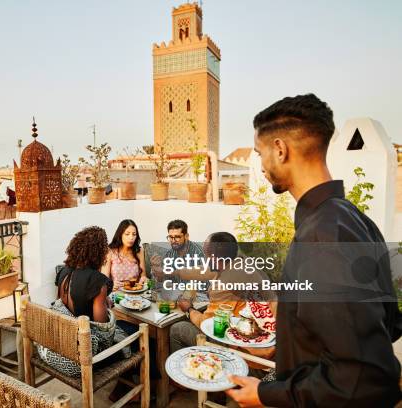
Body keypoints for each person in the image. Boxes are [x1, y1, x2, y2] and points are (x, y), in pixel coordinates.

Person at [227, 94, 401, 407]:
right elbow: (387, 323)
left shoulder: (322, 238)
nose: (261, 165)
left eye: (259, 153)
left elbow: (364, 380)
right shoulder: (352, 218)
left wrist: (264, 394)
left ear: (280, 150)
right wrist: (283, 346)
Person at [170, 232, 276, 360]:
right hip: (271, 340)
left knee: (177, 329)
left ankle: (190, 372)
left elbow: (208, 324)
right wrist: (173, 272)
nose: (205, 259)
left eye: (206, 255)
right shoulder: (240, 262)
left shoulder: (224, 284)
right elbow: (203, 271)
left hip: (251, 354)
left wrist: (189, 309)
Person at [38, 226, 123, 377]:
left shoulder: (63, 272)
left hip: (61, 348)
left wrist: (101, 300)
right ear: (98, 252)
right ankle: (127, 392)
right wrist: (105, 305)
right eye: (105, 248)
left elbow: (65, 306)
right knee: (134, 342)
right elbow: (103, 332)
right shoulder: (97, 282)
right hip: (81, 360)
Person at [151, 219, 212, 303]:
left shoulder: (199, 254)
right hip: (177, 296)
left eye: (177, 237)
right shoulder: (169, 254)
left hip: (200, 297)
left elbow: (201, 286)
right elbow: (162, 285)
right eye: (170, 237)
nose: (173, 241)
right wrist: (157, 271)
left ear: (186, 236)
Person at [101, 219, 147, 291]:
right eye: (127, 234)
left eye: (134, 234)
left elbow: (143, 276)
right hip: (116, 293)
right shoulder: (110, 251)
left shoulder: (139, 251)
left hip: (134, 292)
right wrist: (110, 285)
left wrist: (144, 280)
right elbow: (103, 280)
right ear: (120, 234)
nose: (131, 237)